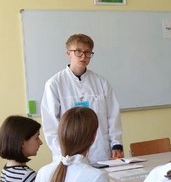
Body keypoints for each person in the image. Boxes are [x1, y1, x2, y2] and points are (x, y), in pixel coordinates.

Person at [40, 33, 123, 163]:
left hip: (100, 153)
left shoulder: (101, 83)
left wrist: (116, 144)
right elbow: (51, 125)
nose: (83, 56)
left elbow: (113, 115)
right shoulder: (55, 84)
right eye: (78, 51)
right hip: (69, 156)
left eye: (87, 52)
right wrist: (63, 153)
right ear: (69, 53)